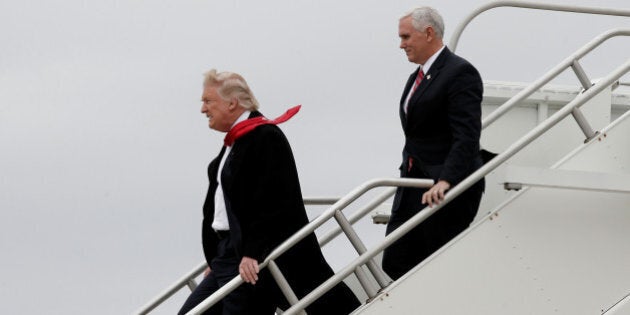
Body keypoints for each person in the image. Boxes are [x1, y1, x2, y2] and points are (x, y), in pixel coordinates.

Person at [178, 69, 360, 315]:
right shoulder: (232, 146)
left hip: (248, 255)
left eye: (208, 101)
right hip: (226, 256)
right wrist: (214, 259)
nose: (203, 109)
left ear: (231, 103)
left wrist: (251, 252)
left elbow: (275, 201)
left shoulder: (265, 137)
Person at [382, 7, 485, 281]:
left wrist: (446, 180)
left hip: (442, 190)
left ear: (428, 33)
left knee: (427, 266)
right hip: (413, 185)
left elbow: (467, 135)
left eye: (406, 37)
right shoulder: (415, 78)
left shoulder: (460, 72)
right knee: (394, 260)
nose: (401, 44)